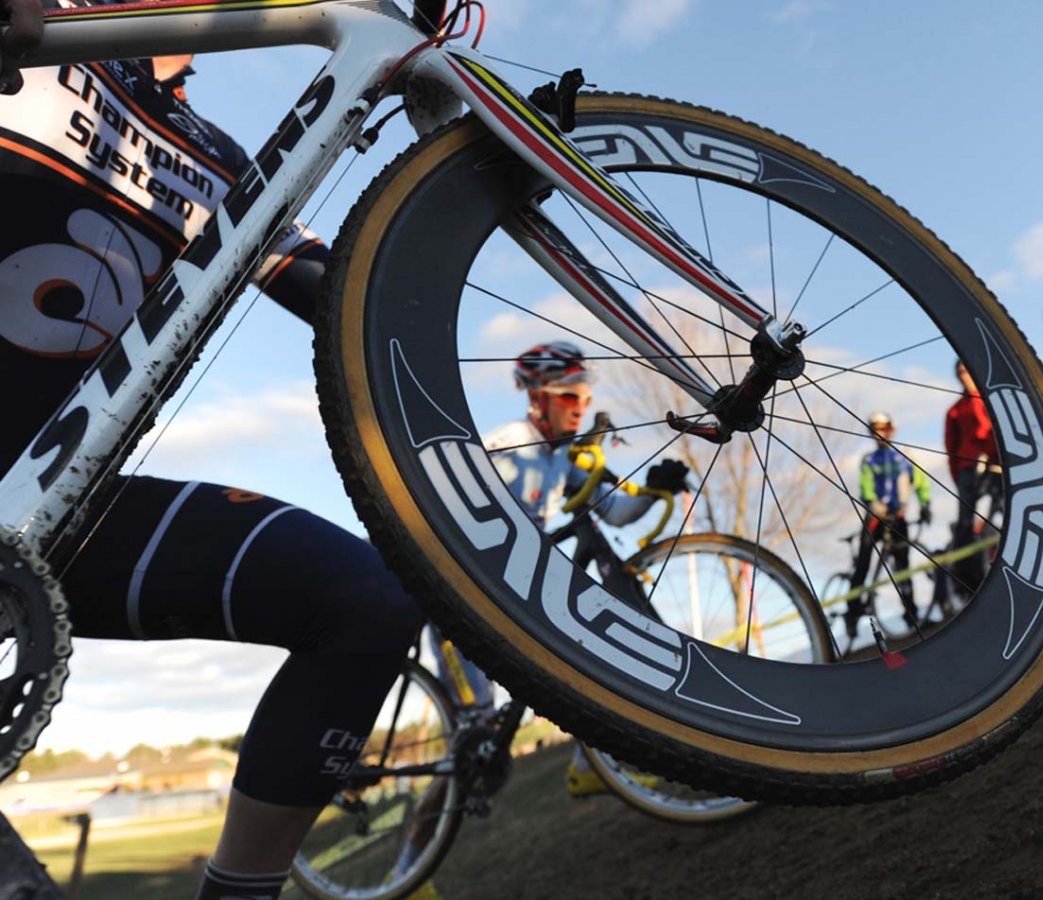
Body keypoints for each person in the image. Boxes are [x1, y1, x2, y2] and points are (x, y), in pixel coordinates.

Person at [0, 2, 448, 897]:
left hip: (49, 512)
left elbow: (339, 299)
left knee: (368, 600)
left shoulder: (222, 155)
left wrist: (465, 208)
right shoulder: (36, 34)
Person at [482, 340, 688, 794]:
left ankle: (589, 764)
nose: (580, 409)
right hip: (475, 578)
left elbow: (612, 511)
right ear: (538, 398)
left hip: (514, 576)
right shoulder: (507, 444)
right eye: (568, 397)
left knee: (582, 650)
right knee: (475, 724)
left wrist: (654, 488)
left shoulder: (559, 453)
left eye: (586, 399)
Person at [845, 411, 931, 637]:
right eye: (875, 429)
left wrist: (925, 504)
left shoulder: (905, 457)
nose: (879, 433)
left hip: (899, 518)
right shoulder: (869, 460)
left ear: (892, 429)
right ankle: (851, 613)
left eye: (884, 428)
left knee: (903, 566)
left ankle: (911, 614)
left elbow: (921, 482)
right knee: (863, 562)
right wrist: (874, 504)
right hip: (875, 517)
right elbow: (865, 488)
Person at [944, 360, 1001, 590]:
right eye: (959, 372)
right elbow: (951, 447)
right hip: (968, 469)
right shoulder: (955, 410)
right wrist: (959, 478)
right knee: (965, 523)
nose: (964, 375)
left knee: (1007, 508)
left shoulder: (990, 400)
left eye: (966, 370)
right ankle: (966, 580)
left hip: (997, 463)